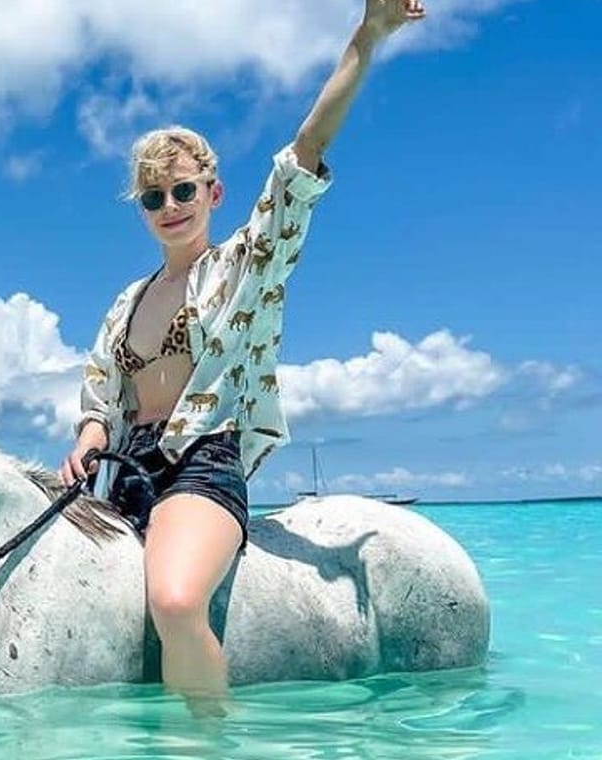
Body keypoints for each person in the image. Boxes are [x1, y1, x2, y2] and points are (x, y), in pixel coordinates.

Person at [60, 0, 427, 704]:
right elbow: (101, 392)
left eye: (184, 189)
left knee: (172, 602)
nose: (170, 203)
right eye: (153, 195)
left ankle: (208, 748)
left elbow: (302, 158)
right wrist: (88, 434)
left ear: (213, 192)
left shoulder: (241, 266)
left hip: (203, 466)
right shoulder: (124, 302)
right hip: (122, 477)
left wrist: (366, 36)